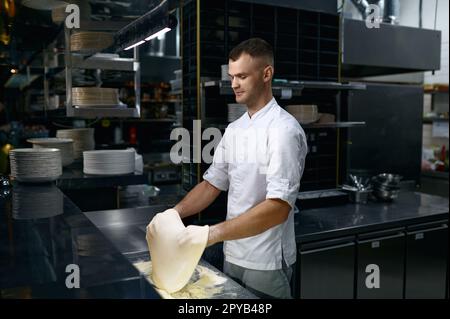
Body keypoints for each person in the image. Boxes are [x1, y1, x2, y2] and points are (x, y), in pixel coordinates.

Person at [151, 38, 307, 298]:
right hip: (232, 254)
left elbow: (278, 208)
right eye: (232, 76)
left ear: (266, 74)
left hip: (265, 261)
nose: (233, 84)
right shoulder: (234, 130)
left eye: (242, 76)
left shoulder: (283, 130)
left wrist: (209, 234)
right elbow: (212, 183)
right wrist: (174, 214)